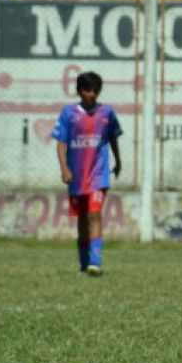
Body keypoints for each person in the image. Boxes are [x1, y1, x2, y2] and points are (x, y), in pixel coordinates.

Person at [51, 71, 123, 277]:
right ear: (80, 91)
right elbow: (61, 142)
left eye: (96, 90)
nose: (92, 94)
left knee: (94, 214)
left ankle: (95, 262)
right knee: (82, 218)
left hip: (99, 175)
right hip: (77, 176)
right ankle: (84, 264)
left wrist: (118, 161)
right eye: (88, 90)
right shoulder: (69, 114)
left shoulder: (107, 113)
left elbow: (113, 139)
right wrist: (64, 168)